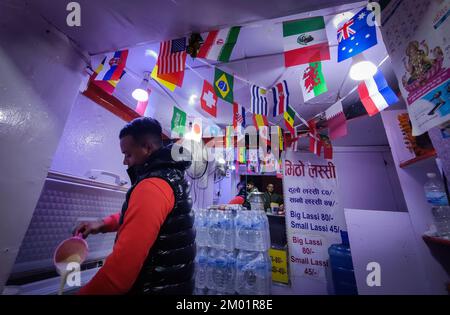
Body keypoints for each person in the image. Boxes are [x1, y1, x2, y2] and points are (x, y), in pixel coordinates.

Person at [73, 117, 195, 295]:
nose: (125, 162)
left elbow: (119, 276)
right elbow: (143, 216)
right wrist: (101, 224)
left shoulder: (153, 185)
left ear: (147, 147)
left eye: (128, 154)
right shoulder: (170, 174)